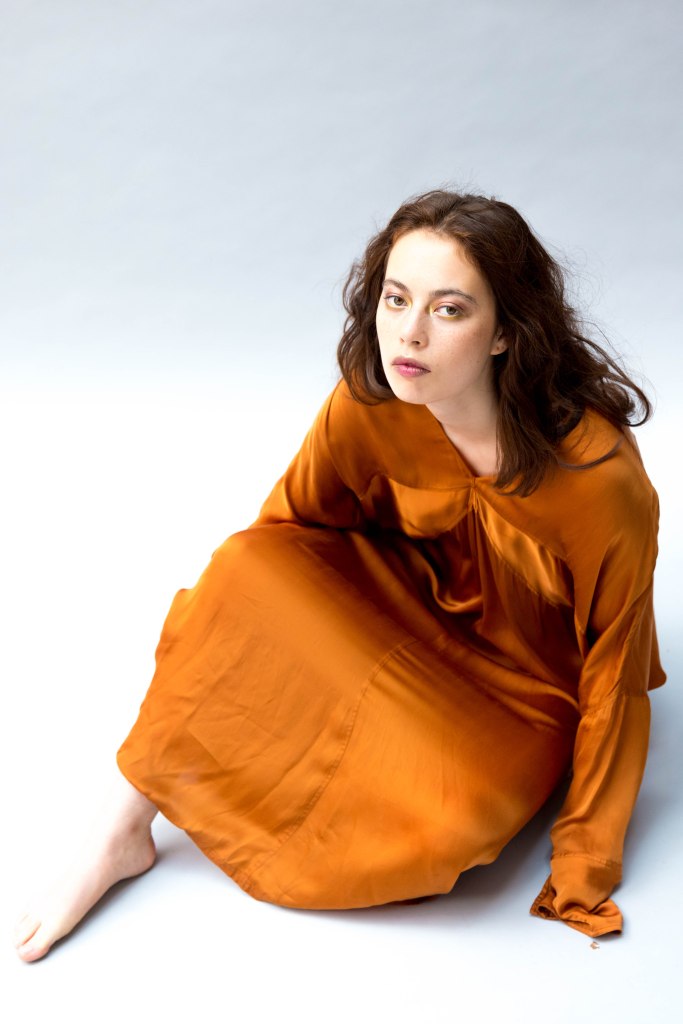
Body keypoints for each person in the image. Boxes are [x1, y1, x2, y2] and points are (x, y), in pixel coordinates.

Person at [14, 190, 665, 962]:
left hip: (519, 691)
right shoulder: (370, 400)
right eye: (396, 299)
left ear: (504, 333)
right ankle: (119, 831)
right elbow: (284, 540)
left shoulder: (595, 477)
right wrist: (269, 646)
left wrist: (584, 860)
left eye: (448, 310)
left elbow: (615, 676)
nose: (409, 333)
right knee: (243, 569)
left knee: (453, 819)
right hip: (396, 611)